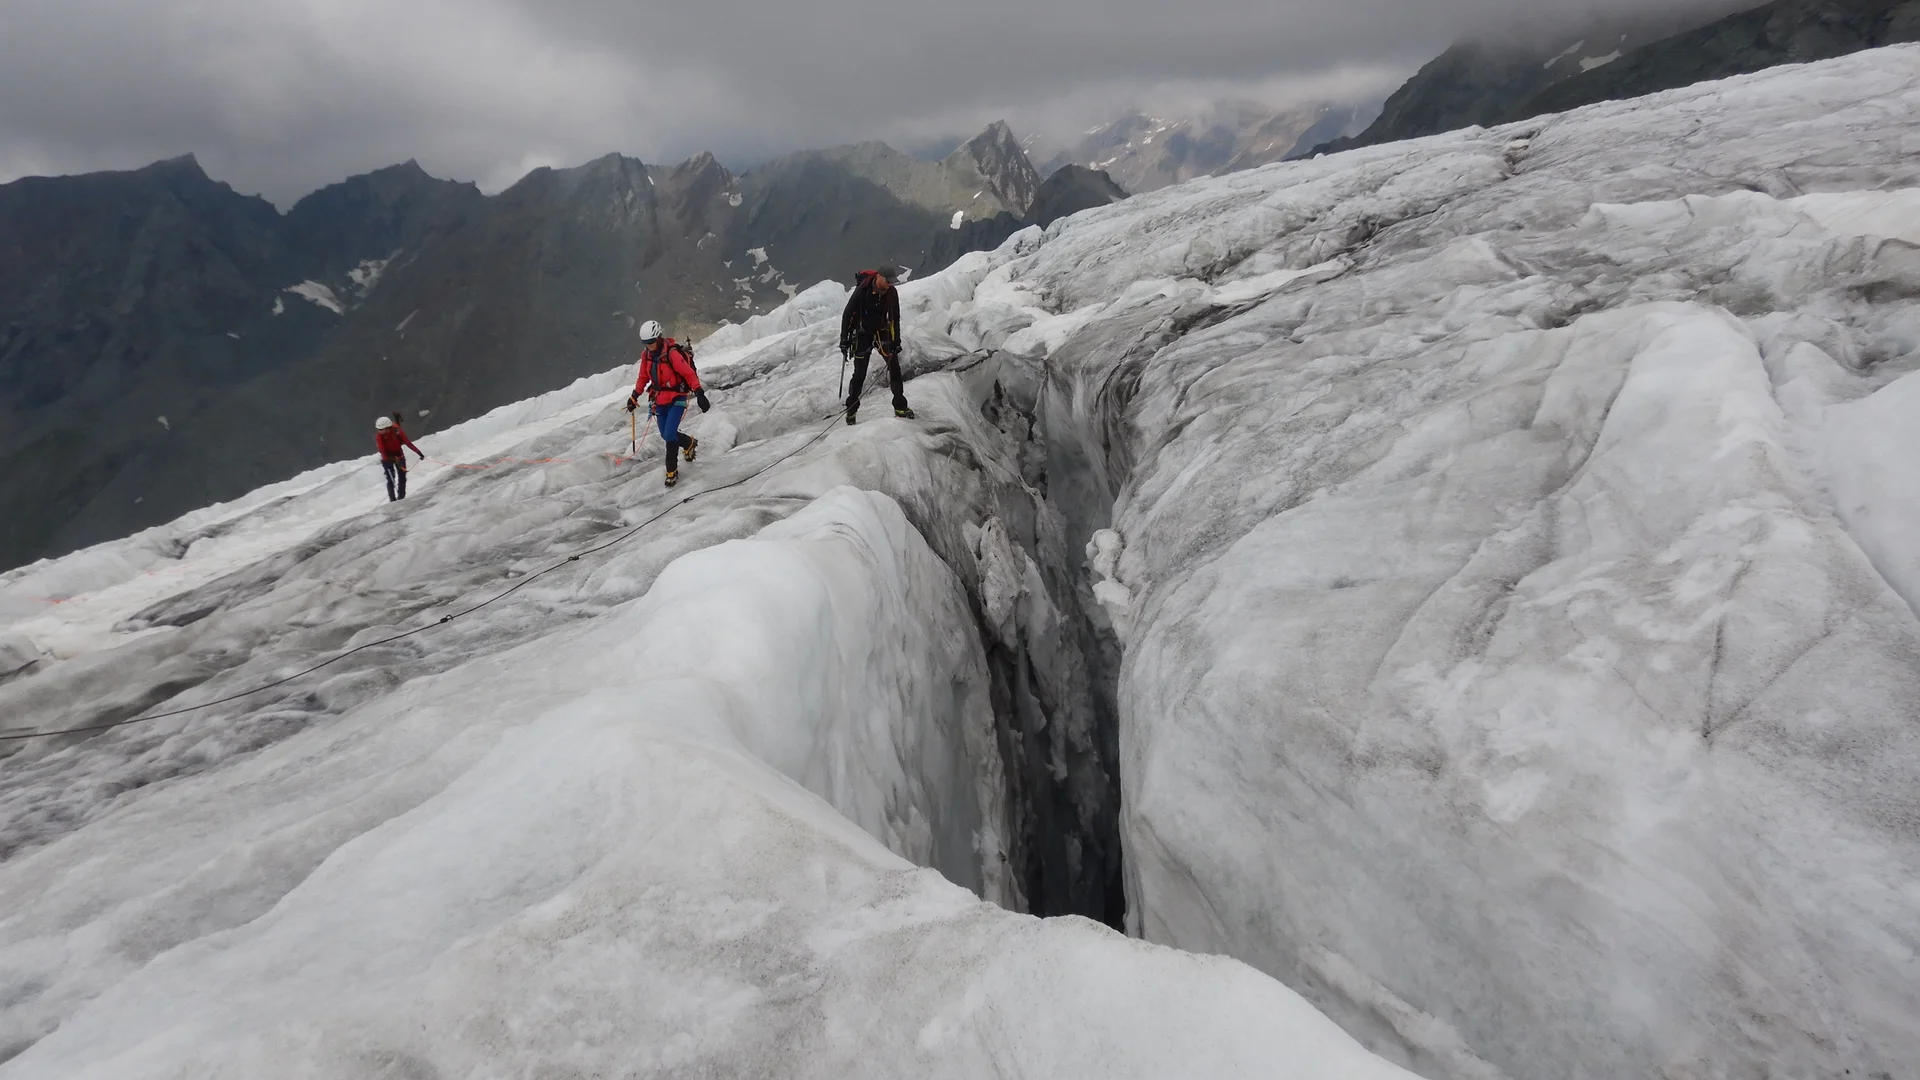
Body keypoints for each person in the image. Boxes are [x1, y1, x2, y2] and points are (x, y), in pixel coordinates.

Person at [627, 319, 710, 487]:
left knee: (670, 434)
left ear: (658, 338)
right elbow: (643, 377)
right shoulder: (647, 356)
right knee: (666, 434)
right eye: (646, 343)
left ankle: (671, 471)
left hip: (677, 397)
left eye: (650, 342)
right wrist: (634, 396)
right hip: (659, 399)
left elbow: (688, 374)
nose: (648, 346)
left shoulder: (672, 354)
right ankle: (689, 443)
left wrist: (699, 393)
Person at [840, 266, 914, 424]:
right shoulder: (863, 290)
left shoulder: (891, 293)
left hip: (882, 331)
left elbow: (894, 318)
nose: (889, 284)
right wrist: (844, 339)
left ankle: (900, 406)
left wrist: (896, 341)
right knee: (860, 374)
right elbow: (847, 313)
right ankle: (851, 411)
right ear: (878, 277)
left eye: (891, 282)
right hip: (862, 333)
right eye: (887, 281)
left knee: (894, 367)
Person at [374, 413, 425, 501]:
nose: (379, 431)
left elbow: (407, 443)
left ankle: (401, 498)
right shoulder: (379, 436)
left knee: (402, 477)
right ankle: (392, 500)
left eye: (381, 429)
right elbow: (382, 449)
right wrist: (388, 459)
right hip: (388, 459)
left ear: (387, 428)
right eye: (379, 429)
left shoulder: (397, 431)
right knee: (391, 480)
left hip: (398, 455)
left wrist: (419, 453)